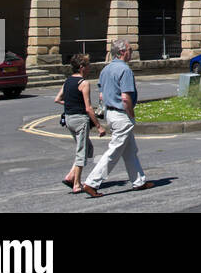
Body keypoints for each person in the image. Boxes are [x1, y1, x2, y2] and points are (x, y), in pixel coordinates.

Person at [82, 39, 152, 197]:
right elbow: (126, 98)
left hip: (110, 113)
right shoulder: (125, 70)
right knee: (114, 151)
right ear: (122, 52)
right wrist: (131, 115)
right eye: (130, 50)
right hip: (122, 114)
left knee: (130, 150)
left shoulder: (106, 70)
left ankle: (139, 181)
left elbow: (101, 94)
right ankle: (91, 182)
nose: (131, 52)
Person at [54, 53, 106, 193]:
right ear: (82, 67)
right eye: (88, 65)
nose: (90, 68)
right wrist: (99, 126)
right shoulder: (84, 83)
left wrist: (71, 103)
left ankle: (71, 176)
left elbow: (58, 99)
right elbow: (88, 108)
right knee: (82, 152)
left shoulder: (68, 81)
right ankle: (76, 184)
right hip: (80, 120)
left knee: (88, 149)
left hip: (69, 119)